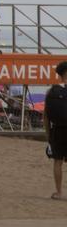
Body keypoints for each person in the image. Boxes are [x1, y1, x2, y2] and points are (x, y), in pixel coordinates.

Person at [46, 61, 67, 200]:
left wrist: (48, 134)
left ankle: (59, 192)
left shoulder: (51, 91)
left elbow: (45, 116)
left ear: (60, 75)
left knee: (57, 161)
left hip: (57, 130)